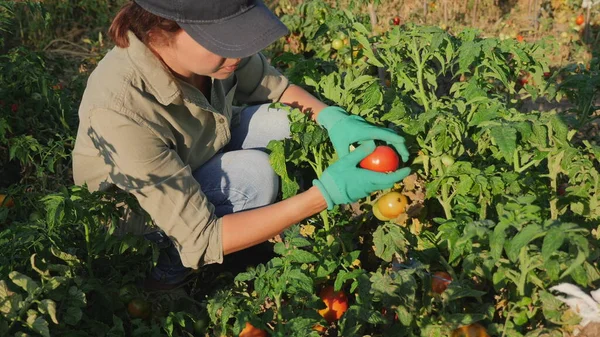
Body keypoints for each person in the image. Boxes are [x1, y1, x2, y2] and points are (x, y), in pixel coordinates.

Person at [72, 0, 411, 291]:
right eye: (223, 40)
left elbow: (275, 89)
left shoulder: (215, 56)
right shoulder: (121, 106)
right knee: (256, 175)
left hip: (199, 150)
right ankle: (165, 276)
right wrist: (327, 195)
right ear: (160, 32)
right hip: (144, 217)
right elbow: (201, 238)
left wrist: (334, 120)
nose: (238, 50)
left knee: (289, 121)